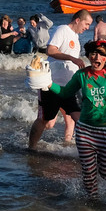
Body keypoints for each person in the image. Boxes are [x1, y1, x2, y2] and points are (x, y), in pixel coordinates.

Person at [44, 40, 106, 197]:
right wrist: (47, 83)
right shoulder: (82, 75)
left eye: (101, 54)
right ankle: (93, 200)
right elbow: (66, 93)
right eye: (93, 53)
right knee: (88, 172)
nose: (97, 57)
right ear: (88, 56)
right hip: (85, 131)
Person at [28, 10, 92, 149]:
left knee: (77, 119)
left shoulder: (75, 36)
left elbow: (72, 64)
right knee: (46, 122)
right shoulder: (62, 29)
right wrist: (72, 58)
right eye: (86, 24)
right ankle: (31, 148)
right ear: (77, 20)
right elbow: (50, 50)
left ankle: (77, 149)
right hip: (52, 85)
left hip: (71, 87)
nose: (87, 27)